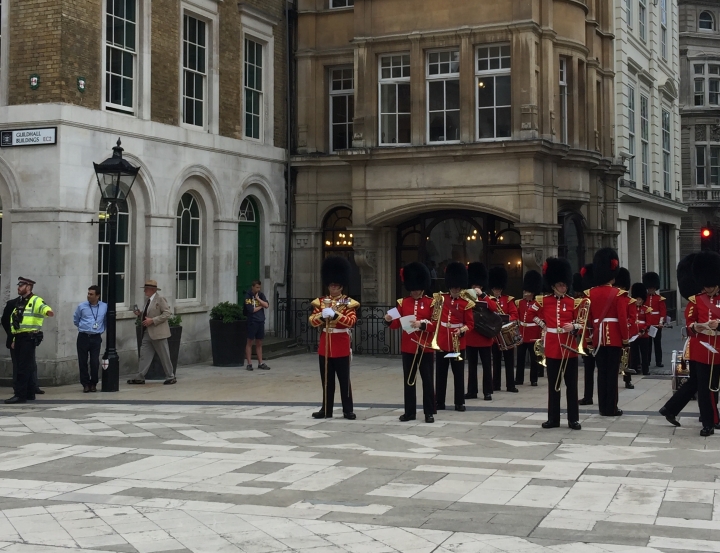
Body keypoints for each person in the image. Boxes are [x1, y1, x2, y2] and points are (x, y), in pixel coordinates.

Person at [667, 251, 720, 436]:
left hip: (718, 348)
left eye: (711, 286)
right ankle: (709, 422)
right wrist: (698, 326)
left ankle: (671, 409)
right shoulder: (696, 300)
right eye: (706, 286)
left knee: (709, 384)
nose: (708, 290)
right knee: (705, 389)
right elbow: (689, 326)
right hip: (701, 349)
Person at [531, 257, 581, 430]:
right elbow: (532, 314)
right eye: (560, 285)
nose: (563, 287)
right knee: (554, 386)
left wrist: (573, 326)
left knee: (571, 386)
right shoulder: (544, 301)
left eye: (565, 285)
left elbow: (582, 323)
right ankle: (553, 419)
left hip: (570, 349)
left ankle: (573, 419)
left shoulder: (572, 302)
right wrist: (544, 325)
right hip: (553, 348)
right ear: (553, 285)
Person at [384, 262, 435, 423]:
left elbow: (436, 324)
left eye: (417, 289)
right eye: (412, 289)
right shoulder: (402, 303)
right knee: (409, 381)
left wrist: (422, 324)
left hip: (425, 348)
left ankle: (429, 412)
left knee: (427, 381)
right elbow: (395, 324)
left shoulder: (431, 303)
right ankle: (410, 412)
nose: (414, 292)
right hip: (409, 348)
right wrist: (388, 320)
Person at [309, 256, 359, 420]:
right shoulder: (321, 302)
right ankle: (326, 409)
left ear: (341, 286)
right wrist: (323, 317)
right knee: (326, 381)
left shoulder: (348, 303)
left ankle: (347, 409)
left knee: (344, 380)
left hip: (341, 344)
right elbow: (312, 321)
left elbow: (351, 322)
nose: (333, 288)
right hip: (325, 344)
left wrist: (335, 315)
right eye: (331, 285)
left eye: (336, 286)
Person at [659, 253, 699, 428]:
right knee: (700, 381)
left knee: (697, 382)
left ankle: (670, 408)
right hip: (699, 346)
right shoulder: (695, 302)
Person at [587, 248, 629, 417]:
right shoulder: (619, 294)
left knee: (601, 373)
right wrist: (626, 339)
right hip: (614, 338)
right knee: (612, 375)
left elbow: (589, 319)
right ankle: (611, 408)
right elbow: (622, 318)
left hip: (598, 337)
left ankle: (602, 407)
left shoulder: (589, 293)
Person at [5, 277, 54, 404]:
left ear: (28, 287)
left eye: (21, 285)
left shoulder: (35, 300)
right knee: (26, 366)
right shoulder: (20, 302)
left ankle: (20, 395)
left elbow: (44, 307)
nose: (18, 287)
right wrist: (14, 338)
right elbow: (17, 322)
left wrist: (47, 311)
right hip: (20, 337)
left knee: (23, 367)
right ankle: (29, 393)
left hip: (29, 337)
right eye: (19, 285)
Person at [433, 261, 475, 411]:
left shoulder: (466, 303)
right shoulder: (441, 299)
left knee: (458, 374)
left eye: (457, 288)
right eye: (453, 287)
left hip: (458, 342)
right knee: (441, 374)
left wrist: (461, 330)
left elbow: (470, 324)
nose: (455, 290)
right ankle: (439, 402)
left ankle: (459, 402)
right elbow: (435, 318)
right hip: (443, 342)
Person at [127, 280, 176, 385]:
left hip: (158, 333)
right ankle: (140, 377)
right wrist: (140, 314)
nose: (144, 291)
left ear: (152, 290)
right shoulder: (147, 300)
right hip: (147, 332)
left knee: (164, 355)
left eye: (146, 289)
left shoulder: (160, 299)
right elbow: (147, 315)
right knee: (144, 355)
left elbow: (167, 313)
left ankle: (171, 376)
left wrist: (153, 320)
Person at [465, 262, 498, 401]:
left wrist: (483, 295)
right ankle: (472, 391)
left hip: (484, 337)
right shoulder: (466, 297)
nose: (475, 287)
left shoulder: (487, 297)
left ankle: (487, 391)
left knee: (486, 366)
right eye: (474, 285)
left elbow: (494, 308)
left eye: (477, 285)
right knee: (472, 366)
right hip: (472, 336)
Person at [489, 266, 519, 393]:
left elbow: (514, 315)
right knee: (496, 361)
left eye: (499, 289)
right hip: (495, 336)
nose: (497, 291)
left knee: (509, 361)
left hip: (506, 334)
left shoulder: (508, 299)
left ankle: (510, 385)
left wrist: (506, 319)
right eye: (495, 289)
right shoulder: (488, 300)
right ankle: (496, 384)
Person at [73, 285, 107, 393]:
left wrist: (101, 329)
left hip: (96, 337)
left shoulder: (104, 306)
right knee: (82, 361)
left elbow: (106, 321)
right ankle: (85, 384)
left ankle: (94, 383)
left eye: (91, 294)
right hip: (83, 336)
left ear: (98, 296)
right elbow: (76, 319)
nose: (88, 296)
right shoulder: (81, 306)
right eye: (88, 293)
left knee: (94, 362)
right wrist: (83, 327)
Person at [515, 270, 543, 387]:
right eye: (525, 291)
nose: (526, 293)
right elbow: (517, 317)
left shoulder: (538, 303)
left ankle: (534, 379)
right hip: (522, 332)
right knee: (520, 358)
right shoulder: (520, 302)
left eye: (528, 291)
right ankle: (519, 379)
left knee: (534, 358)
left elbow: (541, 318)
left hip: (533, 333)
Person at [615, 268, 636, 390]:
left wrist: (627, 330)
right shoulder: (614, 298)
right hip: (614, 333)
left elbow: (632, 318)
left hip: (625, 333)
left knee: (626, 358)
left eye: (620, 287)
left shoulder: (629, 301)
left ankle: (627, 380)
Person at [578, 264, 596, 406]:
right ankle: (588, 396)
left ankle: (588, 396)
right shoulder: (585, 298)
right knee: (589, 370)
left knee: (591, 370)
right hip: (588, 338)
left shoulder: (588, 297)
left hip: (597, 337)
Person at [244, 280, 270, 371]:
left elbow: (267, 305)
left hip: (260, 321)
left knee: (259, 343)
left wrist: (258, 299)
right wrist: (261, 306)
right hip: (252, 321)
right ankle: (249, 363)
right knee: (250, 342)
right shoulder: (248, 296)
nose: (258, 289)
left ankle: (260, 363)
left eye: (259, 287)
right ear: (253, 287)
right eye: (257, 287)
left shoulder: (261, 295)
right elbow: (251, 310)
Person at [643, 271, 667, 368]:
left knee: (657, 344)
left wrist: (661, 322)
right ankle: (647, 361)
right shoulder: (645, 298)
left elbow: (663, 312)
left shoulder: (659, 299)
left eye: (652, 288)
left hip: (657, 324)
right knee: (647, 345)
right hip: (648, 324)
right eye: (649, 288)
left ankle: (658, 362)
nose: (651, 290)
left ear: (655, 288)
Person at [630, 282, 652, 377]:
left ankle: (645, 370)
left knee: (644, 354)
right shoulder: (631, 309)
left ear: (643, 300)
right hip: (634, 334)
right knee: (634, 353)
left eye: (640, 299)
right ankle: (634, 368)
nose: (638, 301)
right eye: (637, 299)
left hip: (644, 335)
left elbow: (648, 322)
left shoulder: (646, 309)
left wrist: (643, 330)